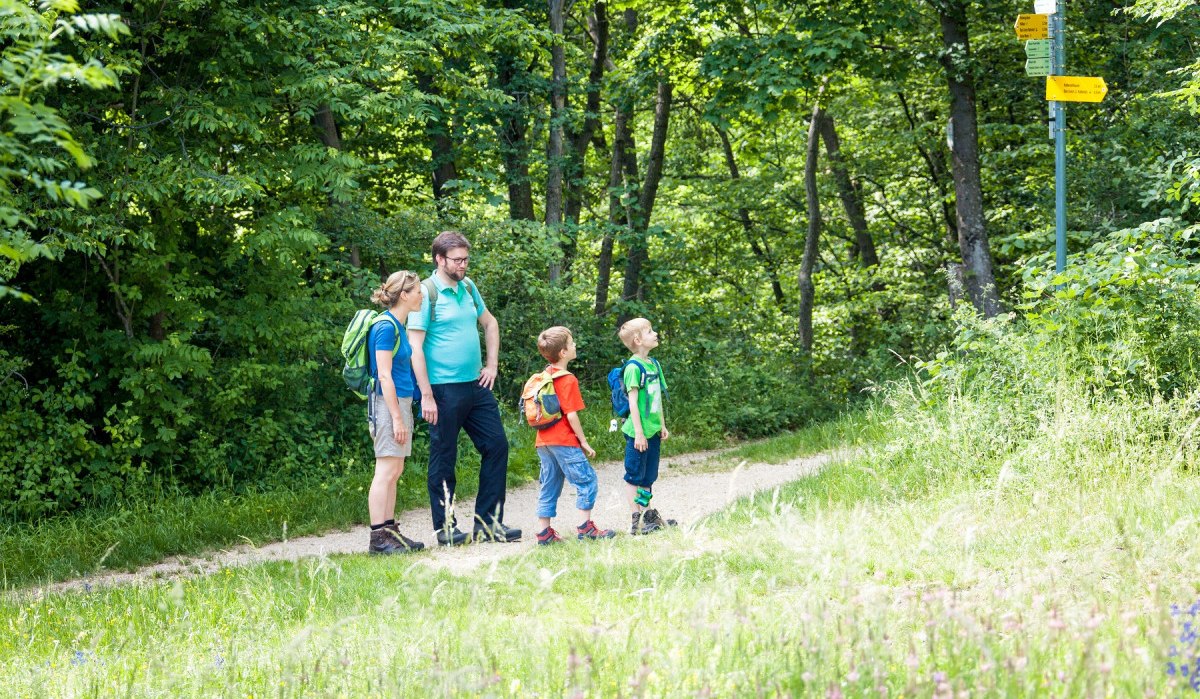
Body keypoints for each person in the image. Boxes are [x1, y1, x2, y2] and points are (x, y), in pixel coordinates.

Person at [408, 231, 521, 545]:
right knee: (444, 457)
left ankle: (488, 524)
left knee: (497, 445)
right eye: (456, 260)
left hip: (476, 386)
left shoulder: (469, 287)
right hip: (442, 390)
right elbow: (414, 348)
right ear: (439, 259)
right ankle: (446, 529)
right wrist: (426, 395)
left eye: (465, 259)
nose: (462, 265)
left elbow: (491, 323)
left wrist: (492, 365)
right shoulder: (426, 293)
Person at [531, 326, 617, 546]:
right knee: (586, 480)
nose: (575, 345)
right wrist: (584, 441)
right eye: (572, 342)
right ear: (563, 352)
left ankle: (544, 533)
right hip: (564, 441)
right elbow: (571, 416)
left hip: (543, 441)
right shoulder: (567, 379)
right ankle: (585, 528)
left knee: (548, 485)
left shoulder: (542, 377)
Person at [365, 271, 426, 554]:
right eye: (417, 291)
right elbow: (384, 376)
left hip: (398, 402)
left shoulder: (398, 326)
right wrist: (397, 418)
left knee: (395, 469)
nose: (421, 296)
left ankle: (390, 532)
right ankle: (378, 538)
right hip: (386, 404)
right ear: (404, 294)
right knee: (386, 470)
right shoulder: (385, 327)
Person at [617, 317, 676, 535]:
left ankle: (648, 515)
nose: (655, 334)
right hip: (637, 433)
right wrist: (639, 433)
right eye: (650, 331)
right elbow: (633, 402)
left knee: (648, 477)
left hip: (652, 430)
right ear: (638, 340)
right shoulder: (633, 367)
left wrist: (662, 424)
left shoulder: (654, 365)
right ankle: (636, 520)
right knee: (634, 475)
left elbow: (657, 397)